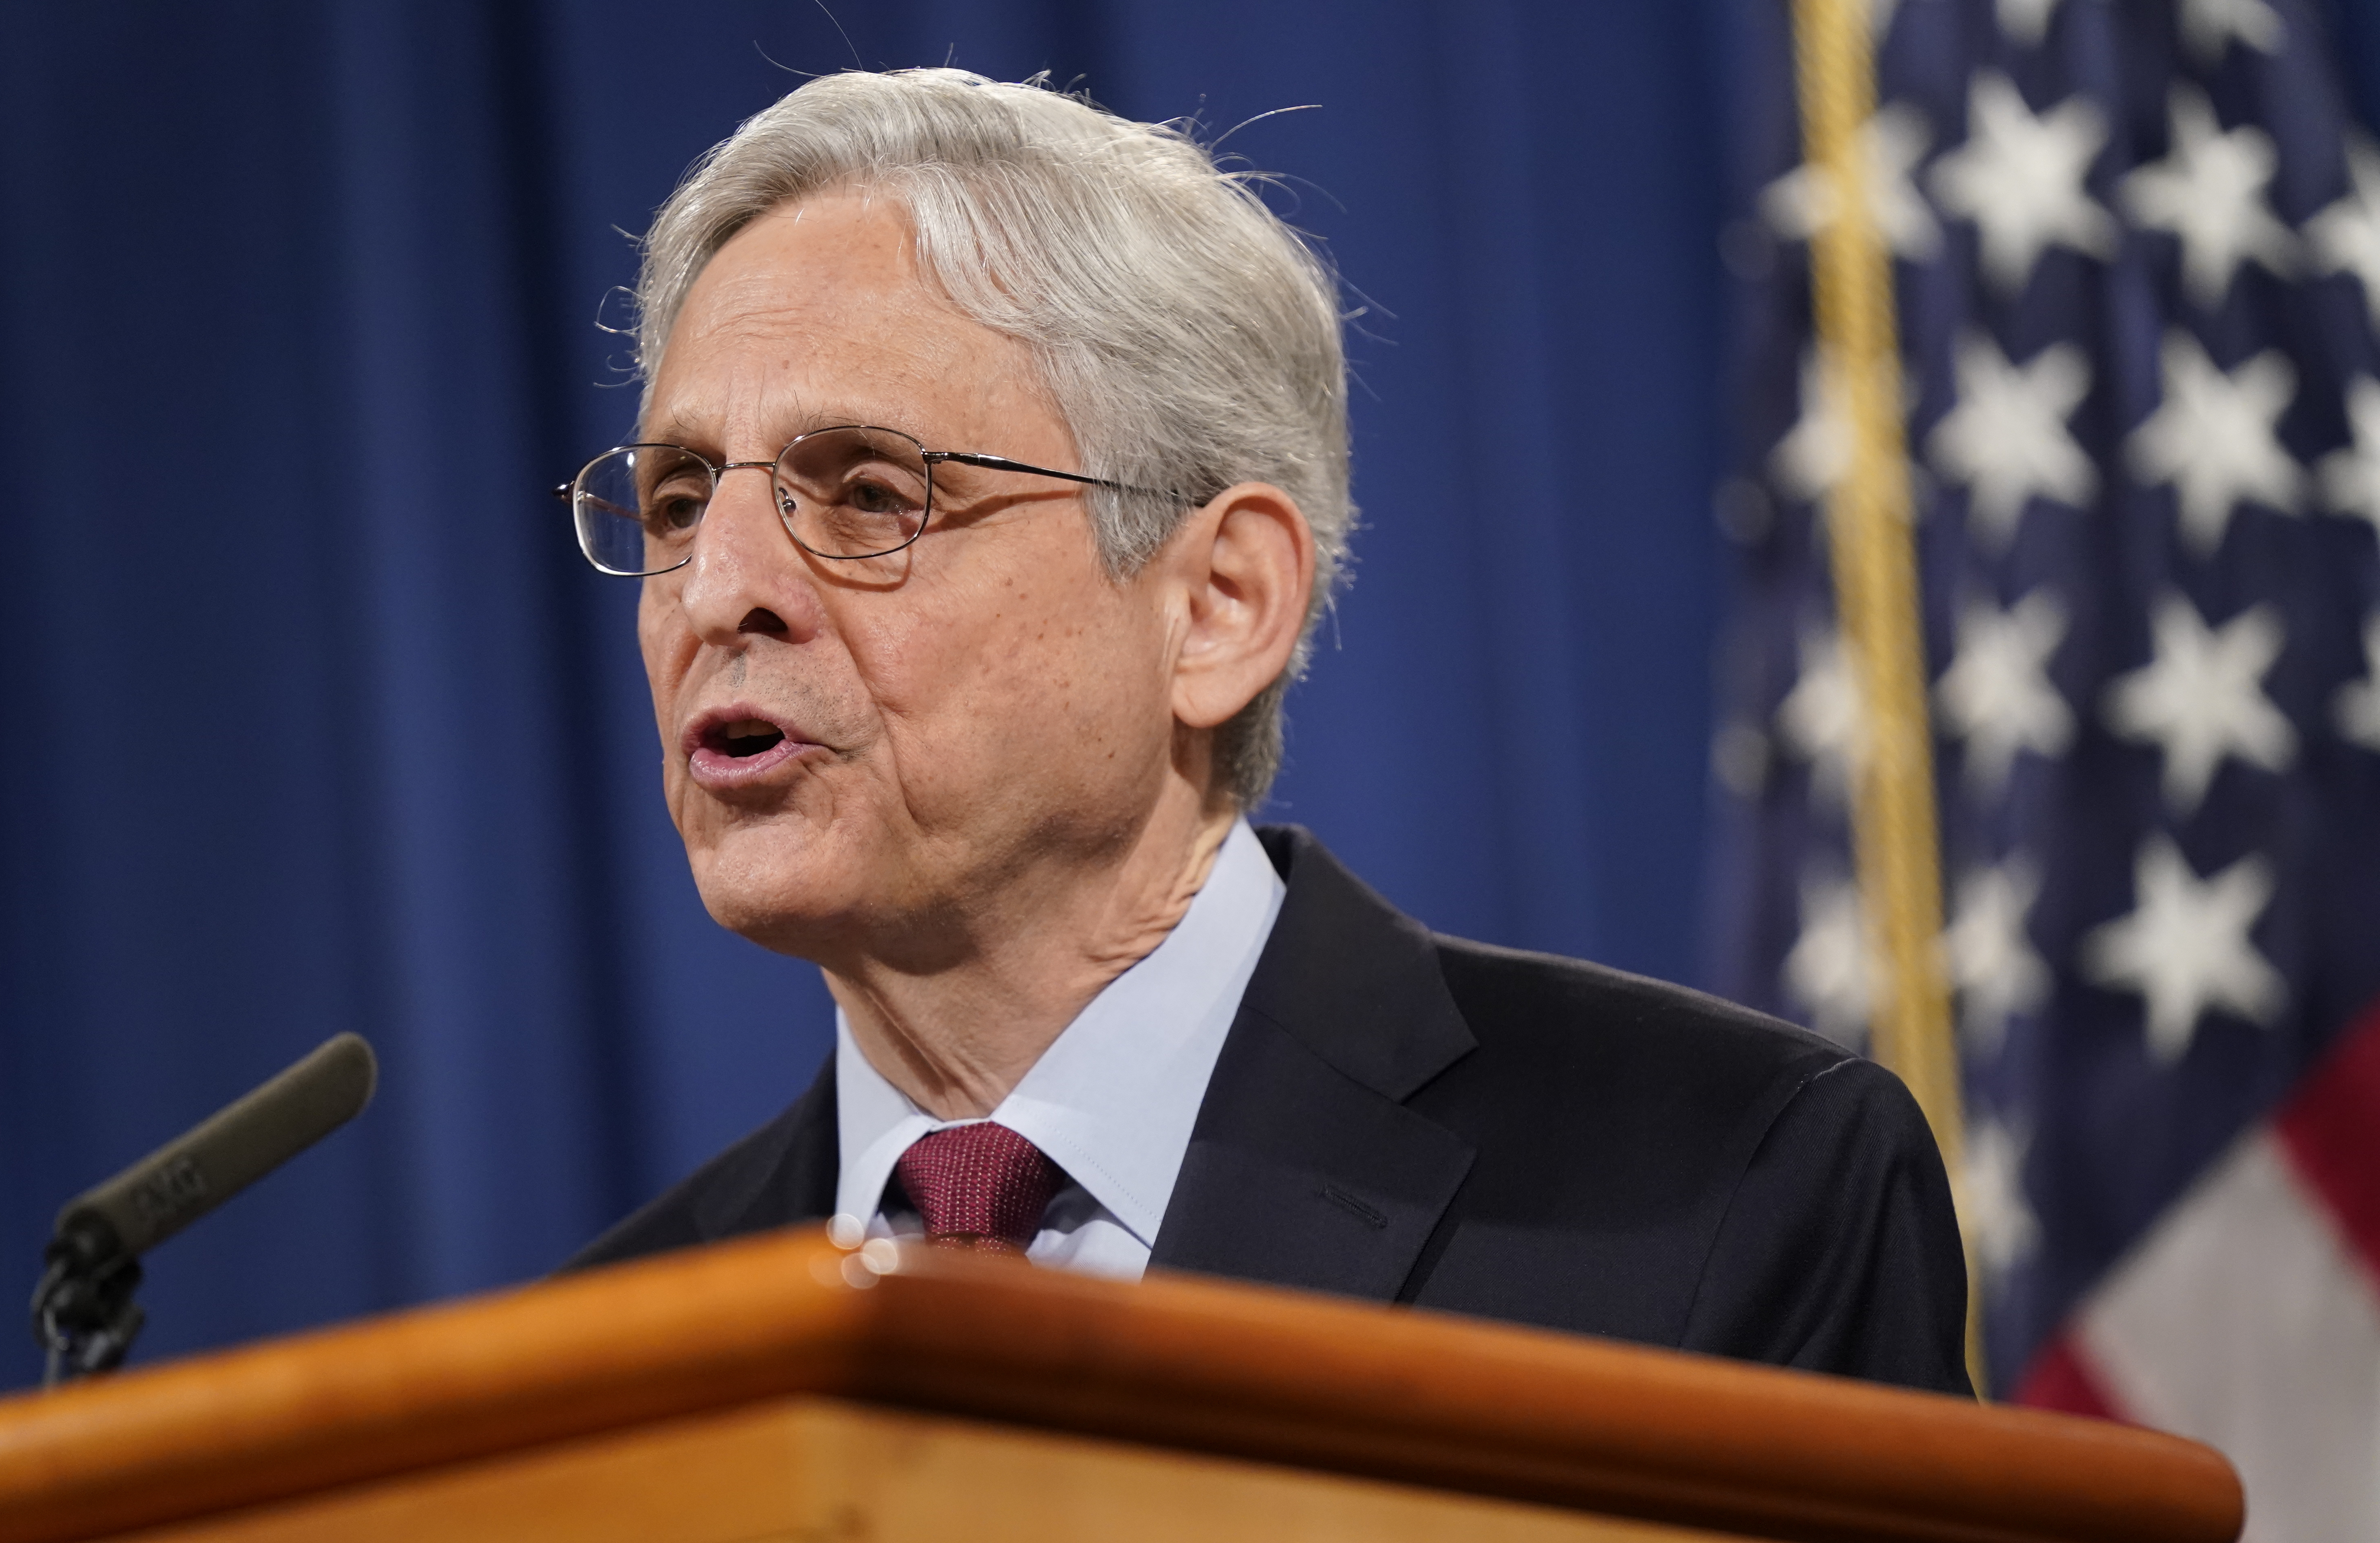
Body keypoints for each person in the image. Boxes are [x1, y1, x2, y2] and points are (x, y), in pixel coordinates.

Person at [562, 67, 1972, 1398]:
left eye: (866, 492)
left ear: (1220, 606)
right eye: (682, 500)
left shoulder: (1724, 1191)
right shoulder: (611, 1363)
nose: (719, 589)